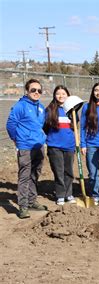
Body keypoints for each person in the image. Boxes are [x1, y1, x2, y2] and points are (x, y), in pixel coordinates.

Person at [6, 78, 47, 218]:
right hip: (25, 147)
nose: (36, 92)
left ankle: (32, 200)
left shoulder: (41, 107)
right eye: (33, 90)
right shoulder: (20, 106)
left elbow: (41, 125)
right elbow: (11, 124)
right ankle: (23, 206)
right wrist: (16, 140)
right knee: (24, 176)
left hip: (39, 146)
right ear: (27, 91)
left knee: (35, 174)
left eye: (39, 90)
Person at [43, 85, 76, 205]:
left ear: (68, 95)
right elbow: (45, 127)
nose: (61, 96)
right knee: (59, 171)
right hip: (55, 146)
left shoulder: (72, 110)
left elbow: (74, 127)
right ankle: (60, 195)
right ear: (54, 96)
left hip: (69, 146)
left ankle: (69, 194)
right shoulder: (50, 110)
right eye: (58, 94)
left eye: (63, 93)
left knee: (69, 172)